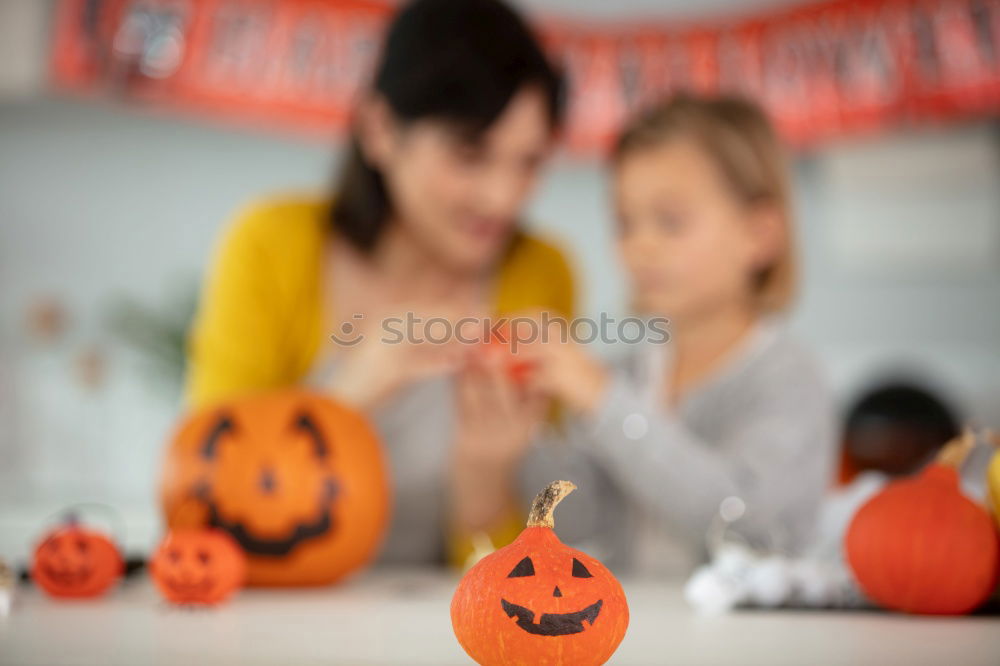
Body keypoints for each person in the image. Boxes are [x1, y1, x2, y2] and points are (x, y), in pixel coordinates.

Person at [185, 0, 573, 565]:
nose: (505, 197)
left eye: (529, 162)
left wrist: (484, 485)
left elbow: (528, 576)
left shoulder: (540, 274)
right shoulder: (272, 245)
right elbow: (205, 493)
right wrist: (348, 397)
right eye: (471, 155)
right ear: (380, 130)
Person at [524, 94, 836, 574]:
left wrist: (604, 401)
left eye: (670, 222)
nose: (640, 246)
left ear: (759, 235)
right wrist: (521, 436)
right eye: (625, 223)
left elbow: (745, 519)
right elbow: (580, 527)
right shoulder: (627, 372)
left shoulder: (788, 379)